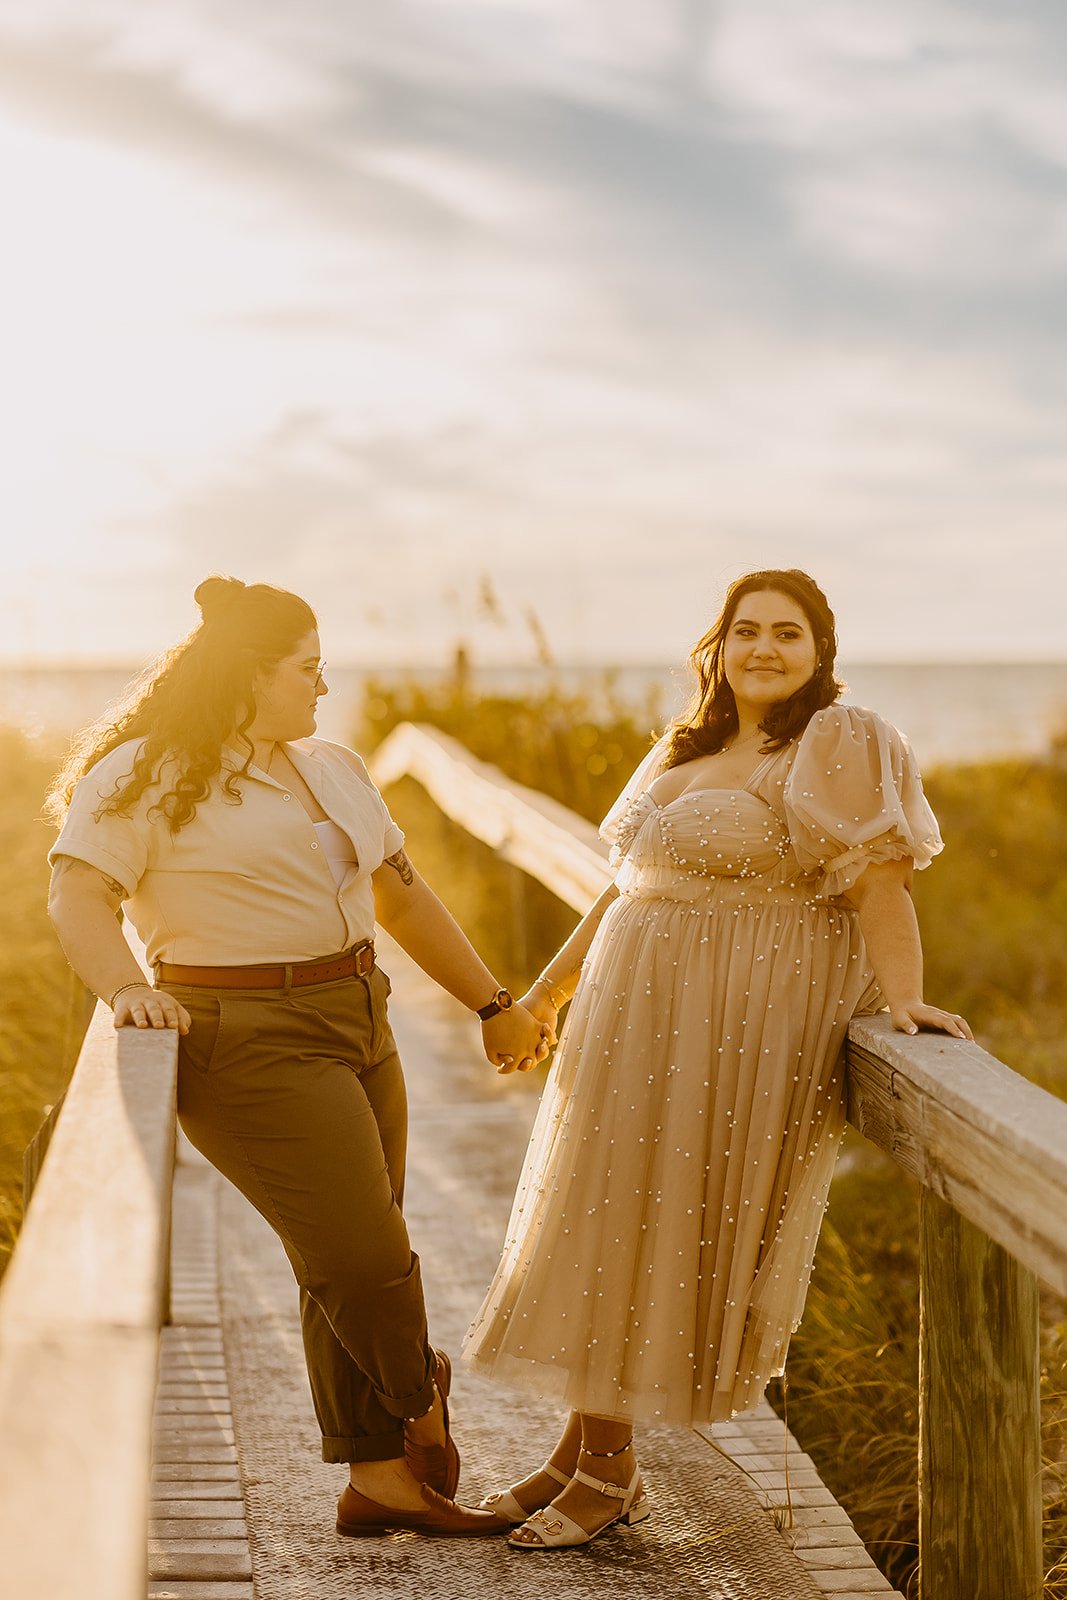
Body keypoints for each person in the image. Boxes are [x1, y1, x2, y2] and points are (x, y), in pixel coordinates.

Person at [463, 568, 972, 1551]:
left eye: (789, 633)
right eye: (746, 631)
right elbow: (624, 889)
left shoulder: (838, 738)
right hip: (630, 1019)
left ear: (822, 652)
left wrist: (903, 997)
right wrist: (542, 998)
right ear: (718, 644)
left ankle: (607, 1469)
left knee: (645, 1218)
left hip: (728, 1025)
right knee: (600, 1212)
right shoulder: (690, 741)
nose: (765, 649)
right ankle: (582, 1449)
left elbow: (878, 886)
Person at [45, 575, 550, 1540]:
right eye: (306, 670)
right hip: (246, 1037)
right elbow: (78, 895)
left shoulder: (331, 765)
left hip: (361, 1014)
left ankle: (379, 1482)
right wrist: (127, 990)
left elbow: (402, 896)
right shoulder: (144, 773)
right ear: (246, 675)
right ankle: (417, 1389)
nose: (323, 687)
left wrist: (489, 1002)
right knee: (364, 1259)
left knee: (343, 1254)